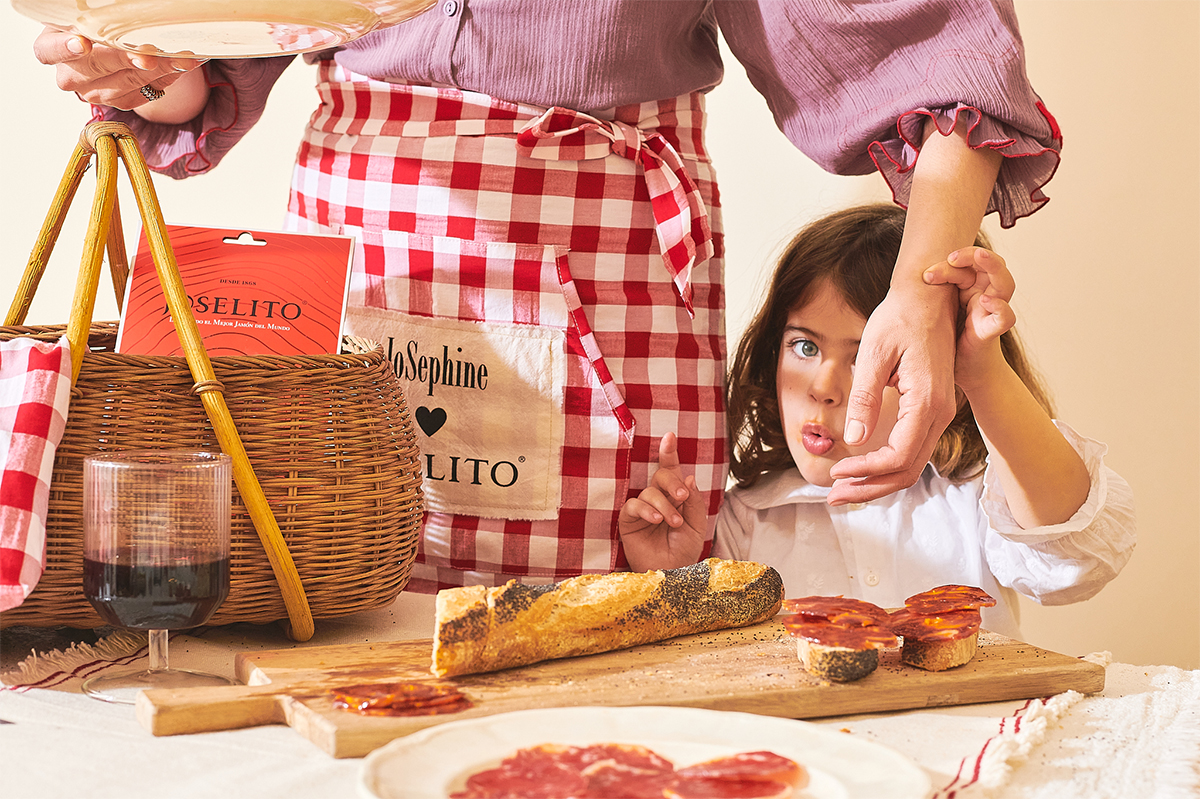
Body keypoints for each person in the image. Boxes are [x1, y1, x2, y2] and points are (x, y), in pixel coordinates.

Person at [31, 3, 1063, 593]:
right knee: (347, 601)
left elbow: (917, 45)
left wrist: (921, 290)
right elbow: (225, 37)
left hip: (606, 249)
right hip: (370, 244)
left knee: (604, 656)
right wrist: (140, 64)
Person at [618, 203, 1135, 637]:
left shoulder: (974, 501)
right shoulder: (743, 522)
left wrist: (984, 373)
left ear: (940, 373)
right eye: (804, 346)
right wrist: (674, 577)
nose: (822, 386)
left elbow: (1079, 561)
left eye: (870, 355)